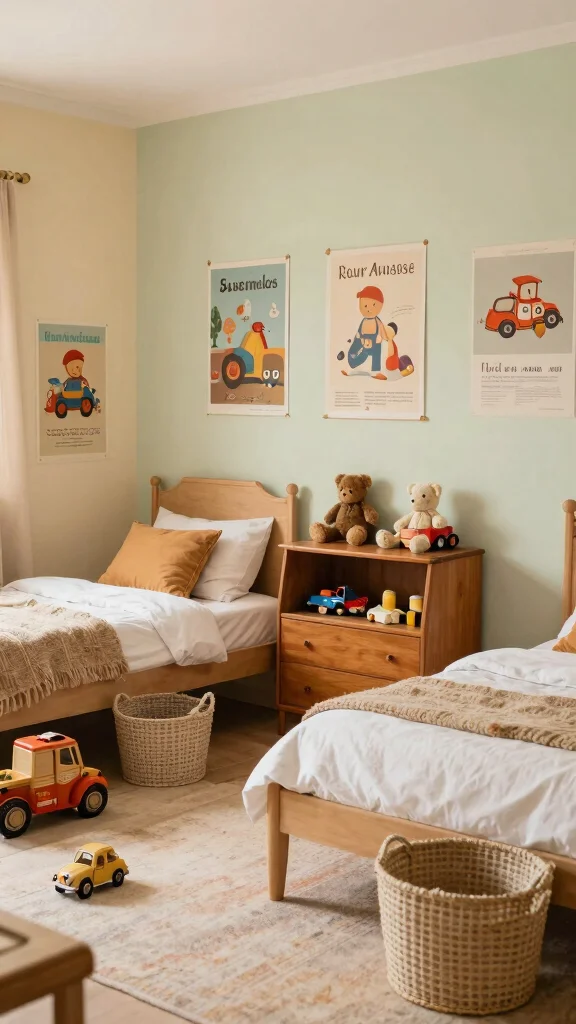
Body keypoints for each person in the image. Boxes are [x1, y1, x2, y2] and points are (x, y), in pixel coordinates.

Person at [339, 286, 414, 379]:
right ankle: (351, 369)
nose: (368, 309)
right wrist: (359, 339)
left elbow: (383, 332)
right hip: (363, 342)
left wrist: (383, 338)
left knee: (376, 358)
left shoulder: (378, 322)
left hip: (375, 343)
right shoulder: (363, 321)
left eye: (373, 305)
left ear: (380, 305)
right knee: (356, 355)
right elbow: (359, 333)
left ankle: (376, 372)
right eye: (365, 306)